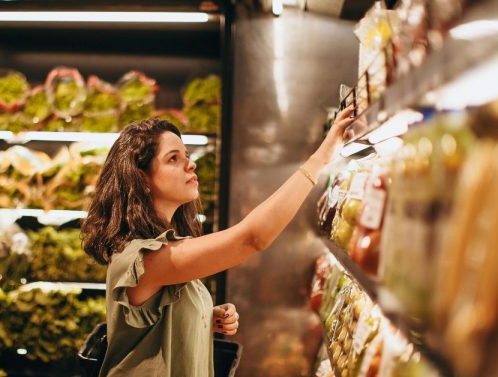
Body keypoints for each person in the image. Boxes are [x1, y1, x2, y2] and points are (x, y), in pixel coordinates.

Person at [81, 106, 355, 376]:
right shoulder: (143, 259)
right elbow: (251, 238)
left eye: (186, 155)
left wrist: (203, 317)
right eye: (173, 158)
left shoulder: (164, 249)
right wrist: (320, 158)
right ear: (142, 178)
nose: (191, 163)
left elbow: (155, 323)